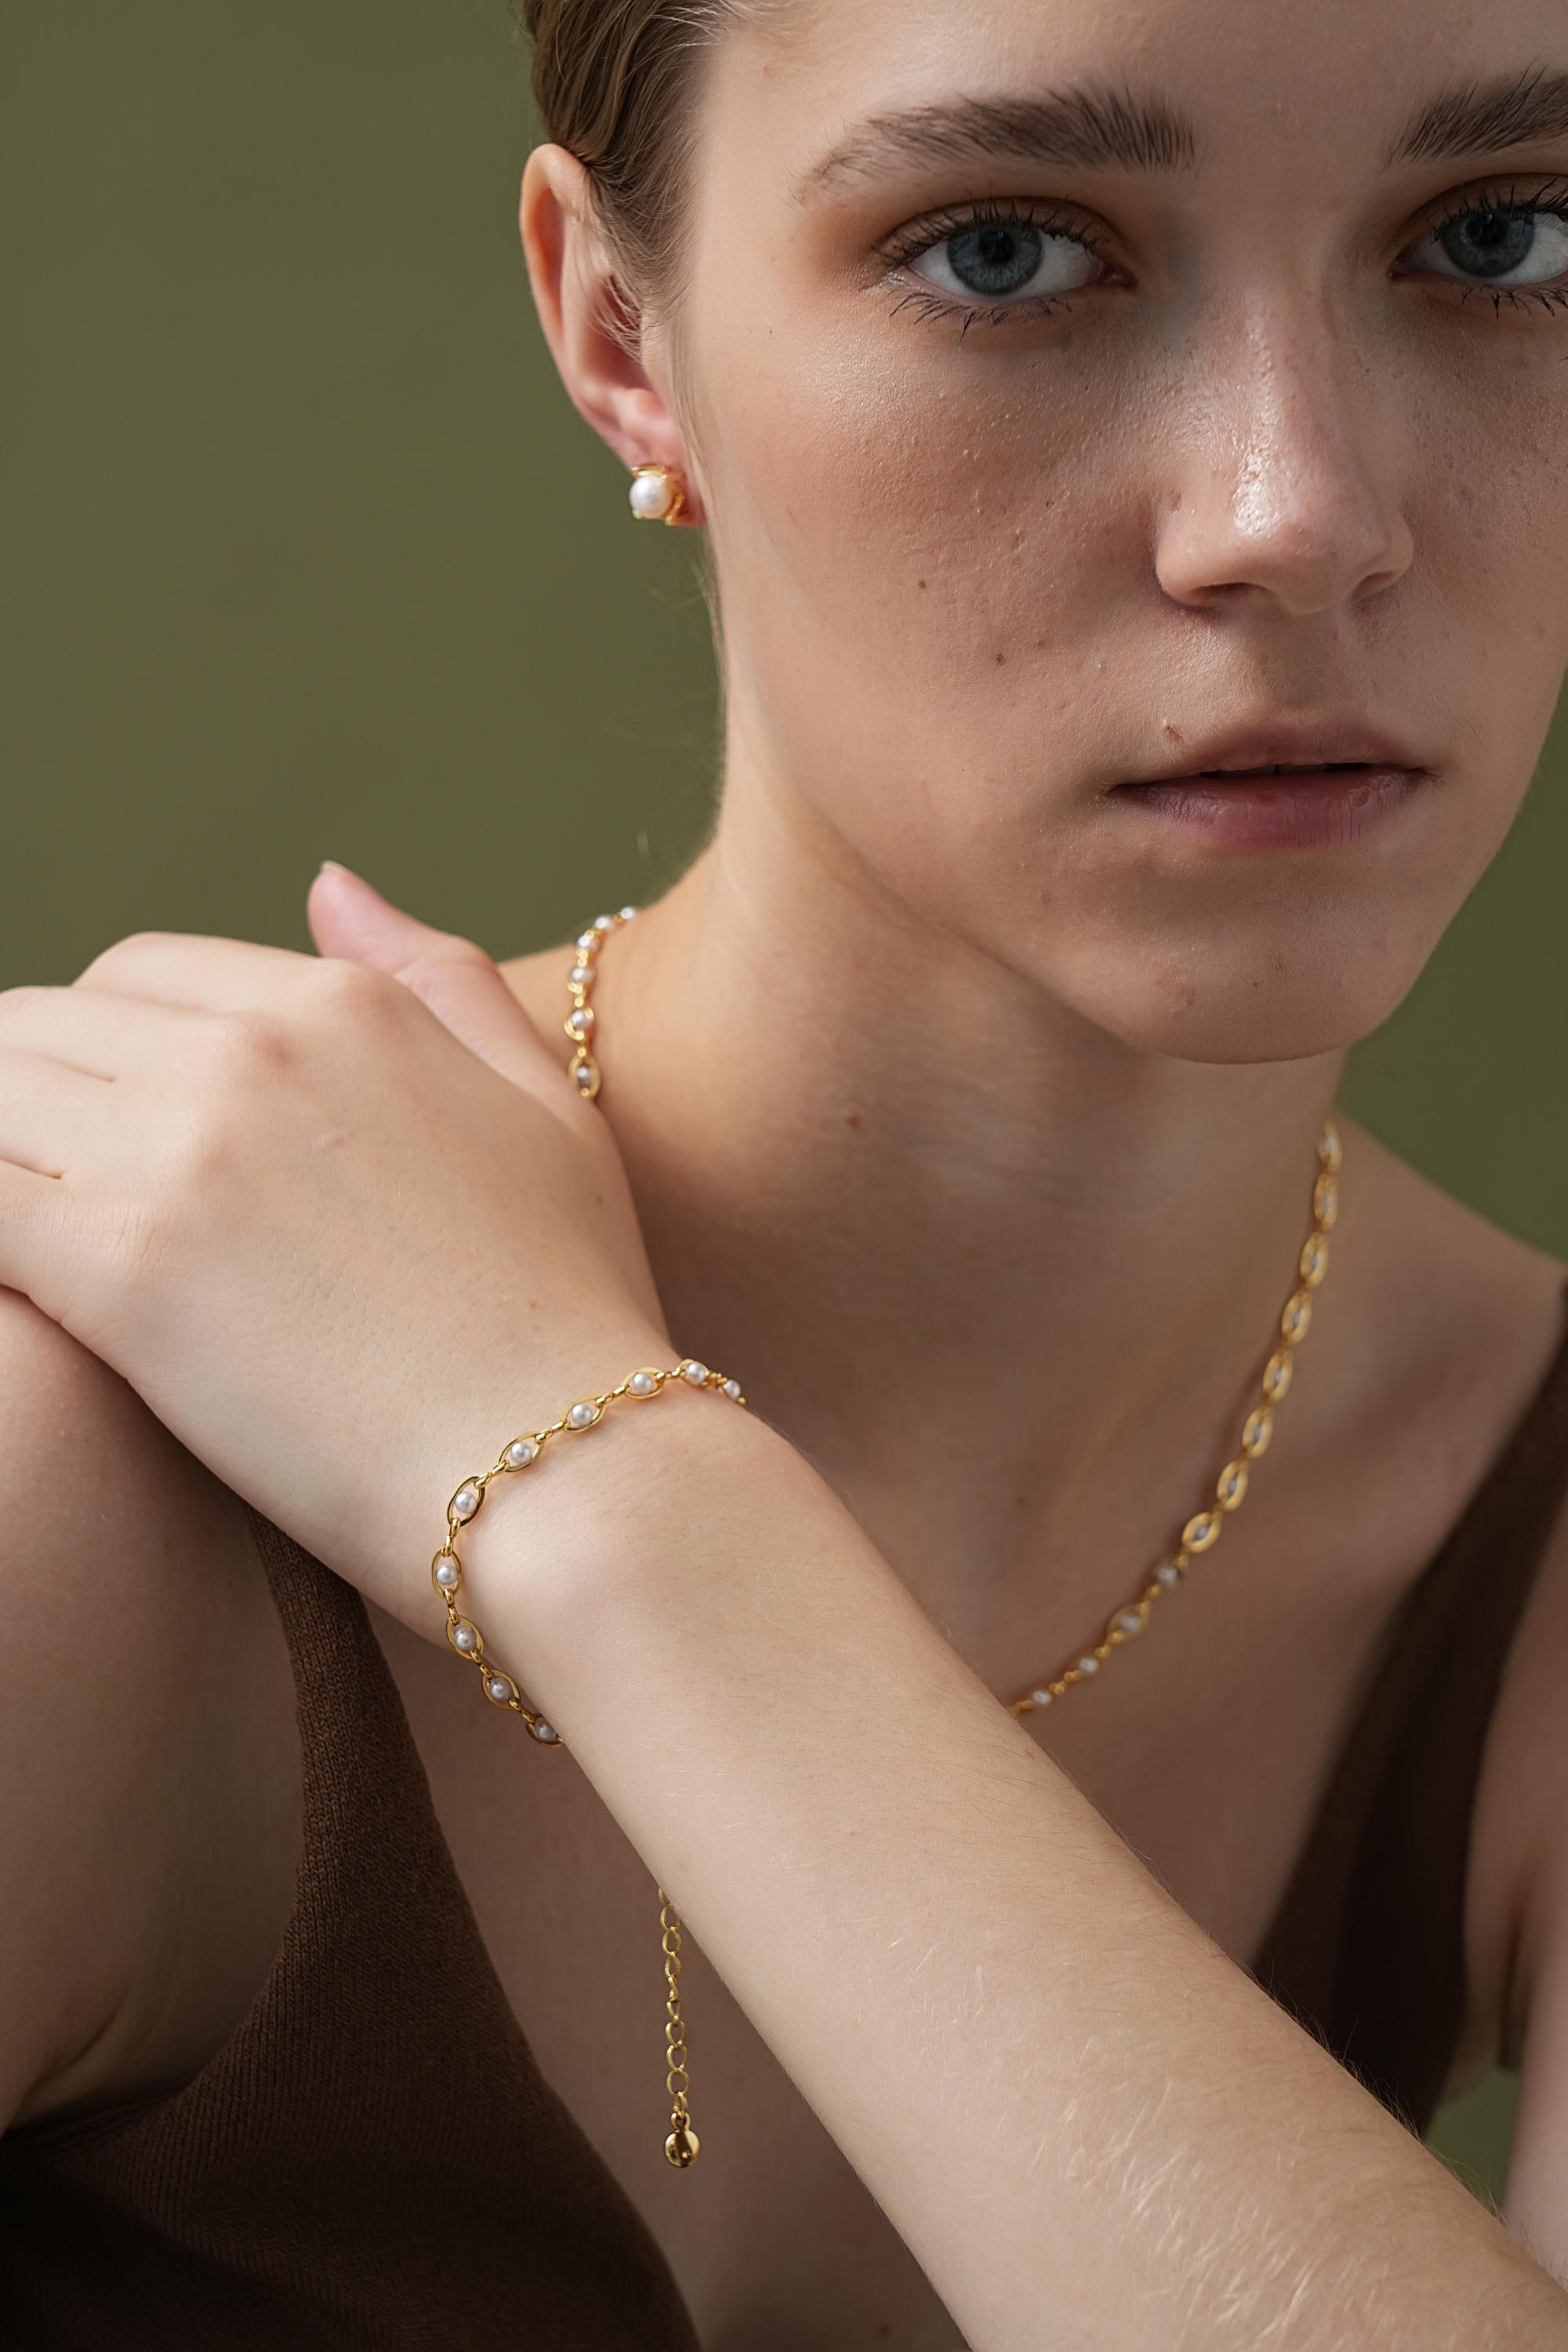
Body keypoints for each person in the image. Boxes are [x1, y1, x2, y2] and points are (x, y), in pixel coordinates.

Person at [2, 0, 1568, 2341]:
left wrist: (605, 1496)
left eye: (1504, 237)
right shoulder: (75, 1481)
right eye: (1010, 252)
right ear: (623, 337)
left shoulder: (1519, 1540)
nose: (1298, 516)